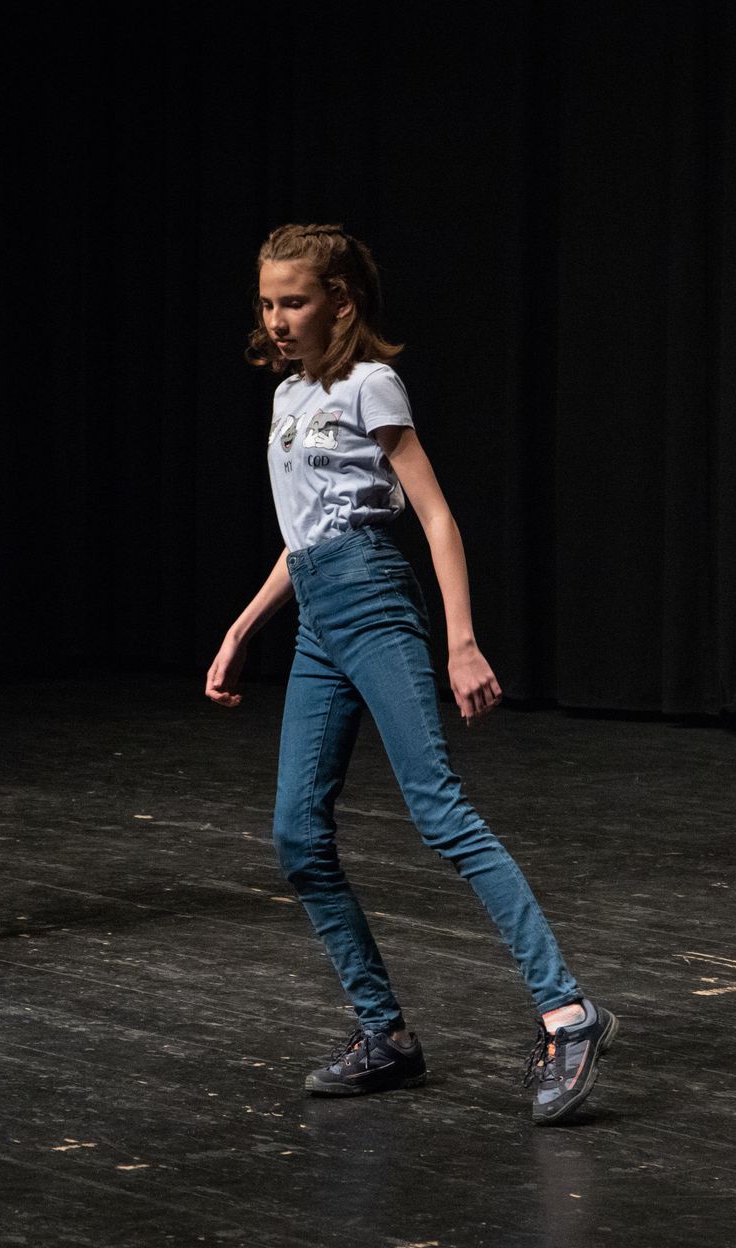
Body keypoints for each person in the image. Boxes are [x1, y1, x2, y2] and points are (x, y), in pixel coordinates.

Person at [205, 224, 616, 1124]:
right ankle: (383, 1032)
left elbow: (433, 515)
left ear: (340, 302)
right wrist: (240, 630)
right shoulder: (285, 397)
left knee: (438, 810)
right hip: (319, 613)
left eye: (294, 302)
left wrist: (460, 640)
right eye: (267, 303)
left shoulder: (370, 384)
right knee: (296, 837)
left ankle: (568, 1010)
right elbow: (302, 538)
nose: (277, 319)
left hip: (373, 595)